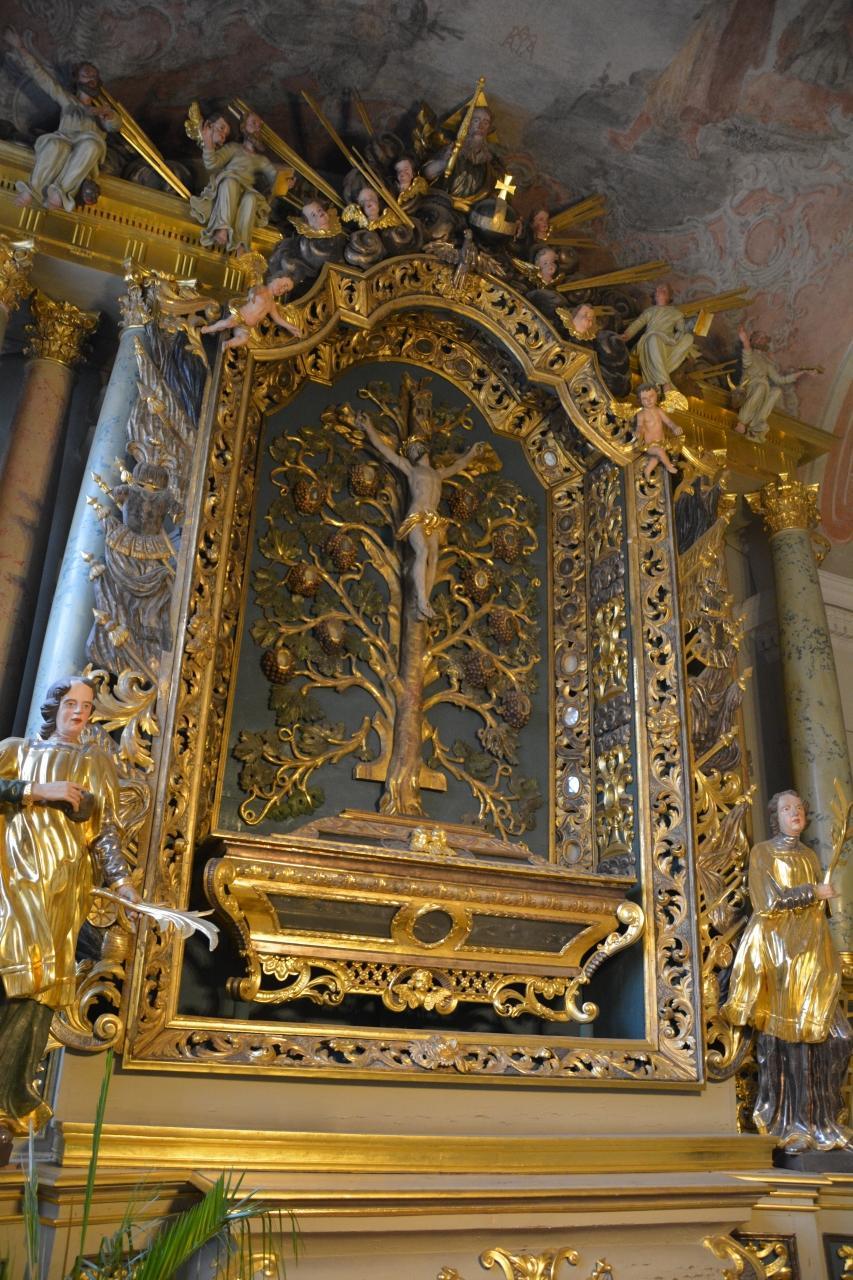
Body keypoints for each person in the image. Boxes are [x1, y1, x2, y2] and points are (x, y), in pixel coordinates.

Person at [0, 677, 139, 1141]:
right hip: (14, 879)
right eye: (71, 703)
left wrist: (123, 884)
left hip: (63, 886)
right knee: (18, 969)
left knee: (42, 985)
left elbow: (106, 832)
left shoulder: (96, 763)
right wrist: (36, 791)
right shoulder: (17, 751)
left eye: (86, 706)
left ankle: (11, 1096)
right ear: (53, 708)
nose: (79, 712)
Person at [722, 790, 852, 1153]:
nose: (795, 813)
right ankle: (793, 1124)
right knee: (793, 1040)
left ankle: (825, 1121)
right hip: (781, 951)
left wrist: (819, 898)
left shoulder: (808, 855)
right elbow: (767, 902)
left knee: (838, 1038)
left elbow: (819, 912)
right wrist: (813, 891)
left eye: (799, 808)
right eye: (786, 808)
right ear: (775, 817)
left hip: (813, 952)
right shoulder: (763, 852)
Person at [356, 411, 486, 620]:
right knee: (422, 552)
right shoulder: (410, 468)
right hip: (417, 513)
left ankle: (423, 603)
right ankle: (422, 600)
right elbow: (384, 449)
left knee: (433, 557)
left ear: (424, 448)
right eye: (410, 450)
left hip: (433, 518)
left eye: (415, 447)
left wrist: (472, 453)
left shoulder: (438, 473)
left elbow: (458, 466)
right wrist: (369, 427)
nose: (413, 451)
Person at [4, 27, 119, 211]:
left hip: (86, 146)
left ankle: (61, 192)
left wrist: (109, 115)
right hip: (64, 138)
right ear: (77, 80)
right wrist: (20, 48)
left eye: (94, 76)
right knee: (56, 145)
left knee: (92, 146)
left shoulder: (103, 110)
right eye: (86, 74)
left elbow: (114, 126)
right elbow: (43, 78)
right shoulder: (68, 101)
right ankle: (33, 189)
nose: (91, 79)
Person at [189, 112, 289, 254]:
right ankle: (222, 228)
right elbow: (212, 163)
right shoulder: (233, 148)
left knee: (251, 198)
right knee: (230, 182)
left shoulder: (261, 160)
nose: (257, 128)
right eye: (253, 123)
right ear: (243, 127)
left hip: (246, 190)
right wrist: (208, 143)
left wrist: (285, 184)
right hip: (228, 185)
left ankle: (241, 244)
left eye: (260, 126)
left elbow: (275, 178)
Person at [734, 325, 816, 441]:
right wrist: (745, 341)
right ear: (753, 340)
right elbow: (747, 358)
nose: (761, 340)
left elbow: (780, 380)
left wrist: (803, 372)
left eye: (763, 338)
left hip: (762, 389)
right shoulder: (751, 355)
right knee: (762, 386)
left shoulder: (767, 362)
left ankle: (757, 424)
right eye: (758, 337)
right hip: (748, 387)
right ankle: (742, 422)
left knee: (777, 391)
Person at [622, 283, 698, 392]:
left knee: (689, 338)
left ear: (668, 295)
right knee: (654, 338)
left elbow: (681, 330)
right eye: (657, 290)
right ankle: (665, 384)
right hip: (649, 342)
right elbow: (638, 323)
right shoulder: (650, 311)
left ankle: (659, 371)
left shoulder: (676, 313)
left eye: (662, 289)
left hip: (668, 343)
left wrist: (692, 325)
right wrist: (627, 334)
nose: (658, 291)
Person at [201, 274, 300, 350]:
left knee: (244, 338)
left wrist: (291, 327)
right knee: (227, 323)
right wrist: (252, 294)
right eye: (284, 285)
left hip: (246, 326)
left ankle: (227, 344)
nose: (282, 290)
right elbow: (254, 289)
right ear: (276, 278)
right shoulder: (263, 289)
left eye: (285, 290)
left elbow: (278, 319)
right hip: (241, 316)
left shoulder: (272, 304)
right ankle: (210, 328)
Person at [634, 383, 683, 477]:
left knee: (656, 458)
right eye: (644, 399)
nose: (649, 400)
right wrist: (638, 432)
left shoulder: (659, 411)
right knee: (660, 452)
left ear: (656, 395)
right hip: (650, 444)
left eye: (651, 396)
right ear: (640, 400)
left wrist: (675, 427)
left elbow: (669, 422)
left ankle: (647, 471)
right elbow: (639, 426)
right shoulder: (641, 414)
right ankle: (669, 467)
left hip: (662, 442)